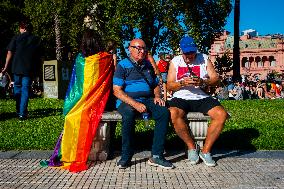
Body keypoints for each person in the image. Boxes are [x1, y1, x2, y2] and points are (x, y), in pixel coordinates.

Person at [42, 29, 115, 173]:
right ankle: (69, 153)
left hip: (90, 100)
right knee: (73, 116)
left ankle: (69, 154)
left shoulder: (81, 59)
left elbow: (76, 85)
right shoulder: (105, 58)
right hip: (101, 99)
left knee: (72, 116)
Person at [113, 38, 174, 169]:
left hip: (147, 99)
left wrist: (157, 96)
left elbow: (155, 85)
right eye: (138, 48)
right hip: (127, 100)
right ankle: (126, 156)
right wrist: (135, 104)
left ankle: (157, 155)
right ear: (130, 49)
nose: (142, 51)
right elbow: (117, 91)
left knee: (163, 112)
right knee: (128, 115)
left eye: (144, 48)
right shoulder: (122, 65)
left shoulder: (147, 65)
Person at [167, 36, 228, 167]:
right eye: (186, 53)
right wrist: (182, 83)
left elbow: (216, 79)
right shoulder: (175, 61)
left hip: (201, 97)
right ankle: (192, 148)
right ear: (181, 51)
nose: (190, 56)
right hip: (181, 96)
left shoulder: (204, 58)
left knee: (221, 115)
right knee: (173, 113)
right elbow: (169, 85)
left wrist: (203, 81)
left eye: (192, 52)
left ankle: (206, 151)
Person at [1, 20, 41, 120]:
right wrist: (38, 70)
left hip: (16, 68)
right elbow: (40, 57)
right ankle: (22, 113)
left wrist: (6, 66)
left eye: (20, 28)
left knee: (17, 88)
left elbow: (9, 52)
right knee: (25, 89)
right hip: (29, 68)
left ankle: (19, 110)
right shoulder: (36, 39)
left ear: (23, 28)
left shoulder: (16, 38)